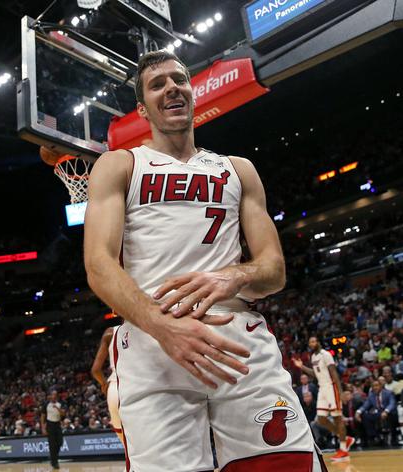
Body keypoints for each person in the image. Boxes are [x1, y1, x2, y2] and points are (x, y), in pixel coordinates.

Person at [82, 50, 321, 470]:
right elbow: (99, 266)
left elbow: (273, 271)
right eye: (158, 84)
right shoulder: (119, 164)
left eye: (179, 79)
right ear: (143, 108)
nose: (171, 87)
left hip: (237, 337)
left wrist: (234, 275)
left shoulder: (238, 169)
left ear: (192, 93)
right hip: (153, 340)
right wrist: (163, 326)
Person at [295, 337, 354, 461]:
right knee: (321, 419)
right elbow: (315, 374)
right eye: (310, 342)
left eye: (314, 341)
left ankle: (343, 451)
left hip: (331, 387)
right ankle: (344, 438)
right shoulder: (313, 357)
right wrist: (302, 367)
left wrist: (341, 392)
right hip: (322, 388)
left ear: (318, 342)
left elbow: (334, 373)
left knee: (337, 418)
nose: (312, 343)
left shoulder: (326, 355)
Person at [90, 325, 123, 443]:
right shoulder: (145, 327)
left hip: (114, 387)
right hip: (137, 384)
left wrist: (103, 384)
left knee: (128, 449)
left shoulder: (110, 332)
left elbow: (95, 370)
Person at [355, 380, 395, 446]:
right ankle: (374, 436)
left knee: (388, 416)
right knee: (365, 416)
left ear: (381, 386)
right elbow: (365, 405)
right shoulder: (371, 395)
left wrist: (386, 411)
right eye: (373, 386)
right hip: (379, 413)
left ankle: (390, 436)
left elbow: (392, 404)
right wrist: (358, 412)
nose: (375, 387)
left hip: (389, 412)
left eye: (376, 385)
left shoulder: (388, 393)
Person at [41, 390, 64, 469]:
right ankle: (54, 462)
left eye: (55, 395)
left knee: (60, 442)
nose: (54, 396)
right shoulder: (46, 404)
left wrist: (57, 408)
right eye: (52, 394)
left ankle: (53, 458)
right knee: (52, 445)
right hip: (50, 425)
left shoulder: (60, 404)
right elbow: (43, 416)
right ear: (50, 396)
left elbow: (63, 414)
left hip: (57, 424)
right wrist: (43, 428)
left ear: (56, 396)